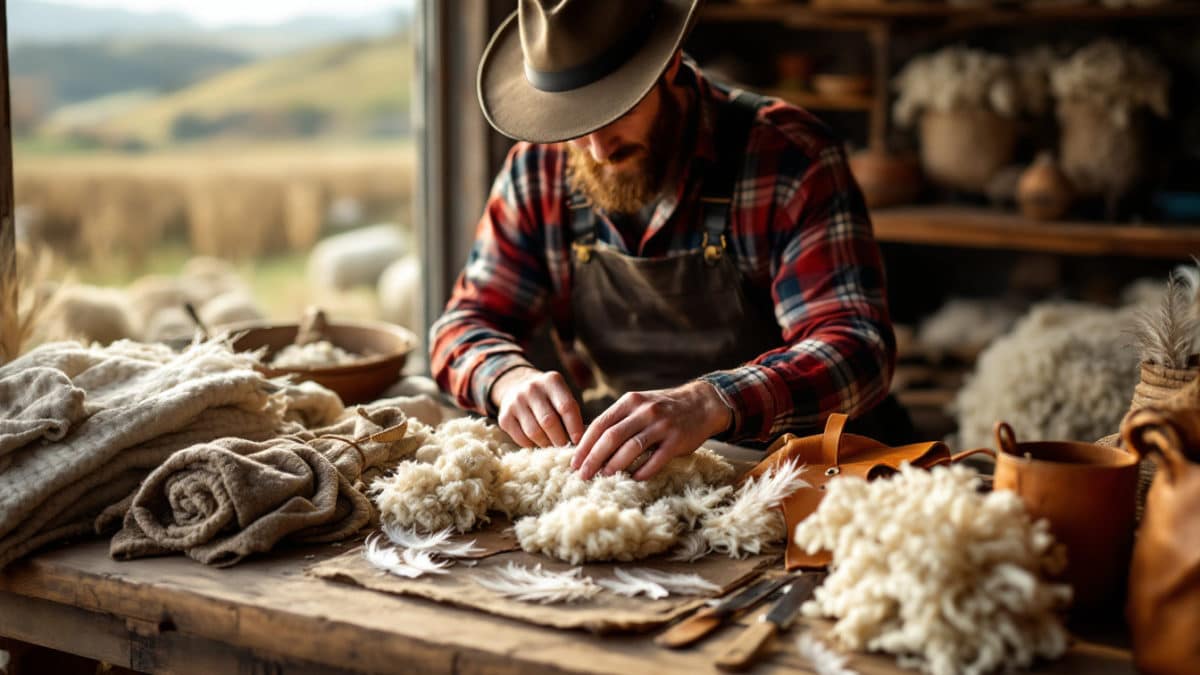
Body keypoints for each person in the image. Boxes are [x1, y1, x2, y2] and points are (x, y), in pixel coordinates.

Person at [430, 0, 900, 481]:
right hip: (632, 474)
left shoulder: (790, 156)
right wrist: (508, 380)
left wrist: (712, 400)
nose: (598, 149)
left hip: (791, 470)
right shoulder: (537, 171)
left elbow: (858, 349)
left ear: (669, 64)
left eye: (616, 110)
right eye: (573, 124)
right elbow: (462, 325)